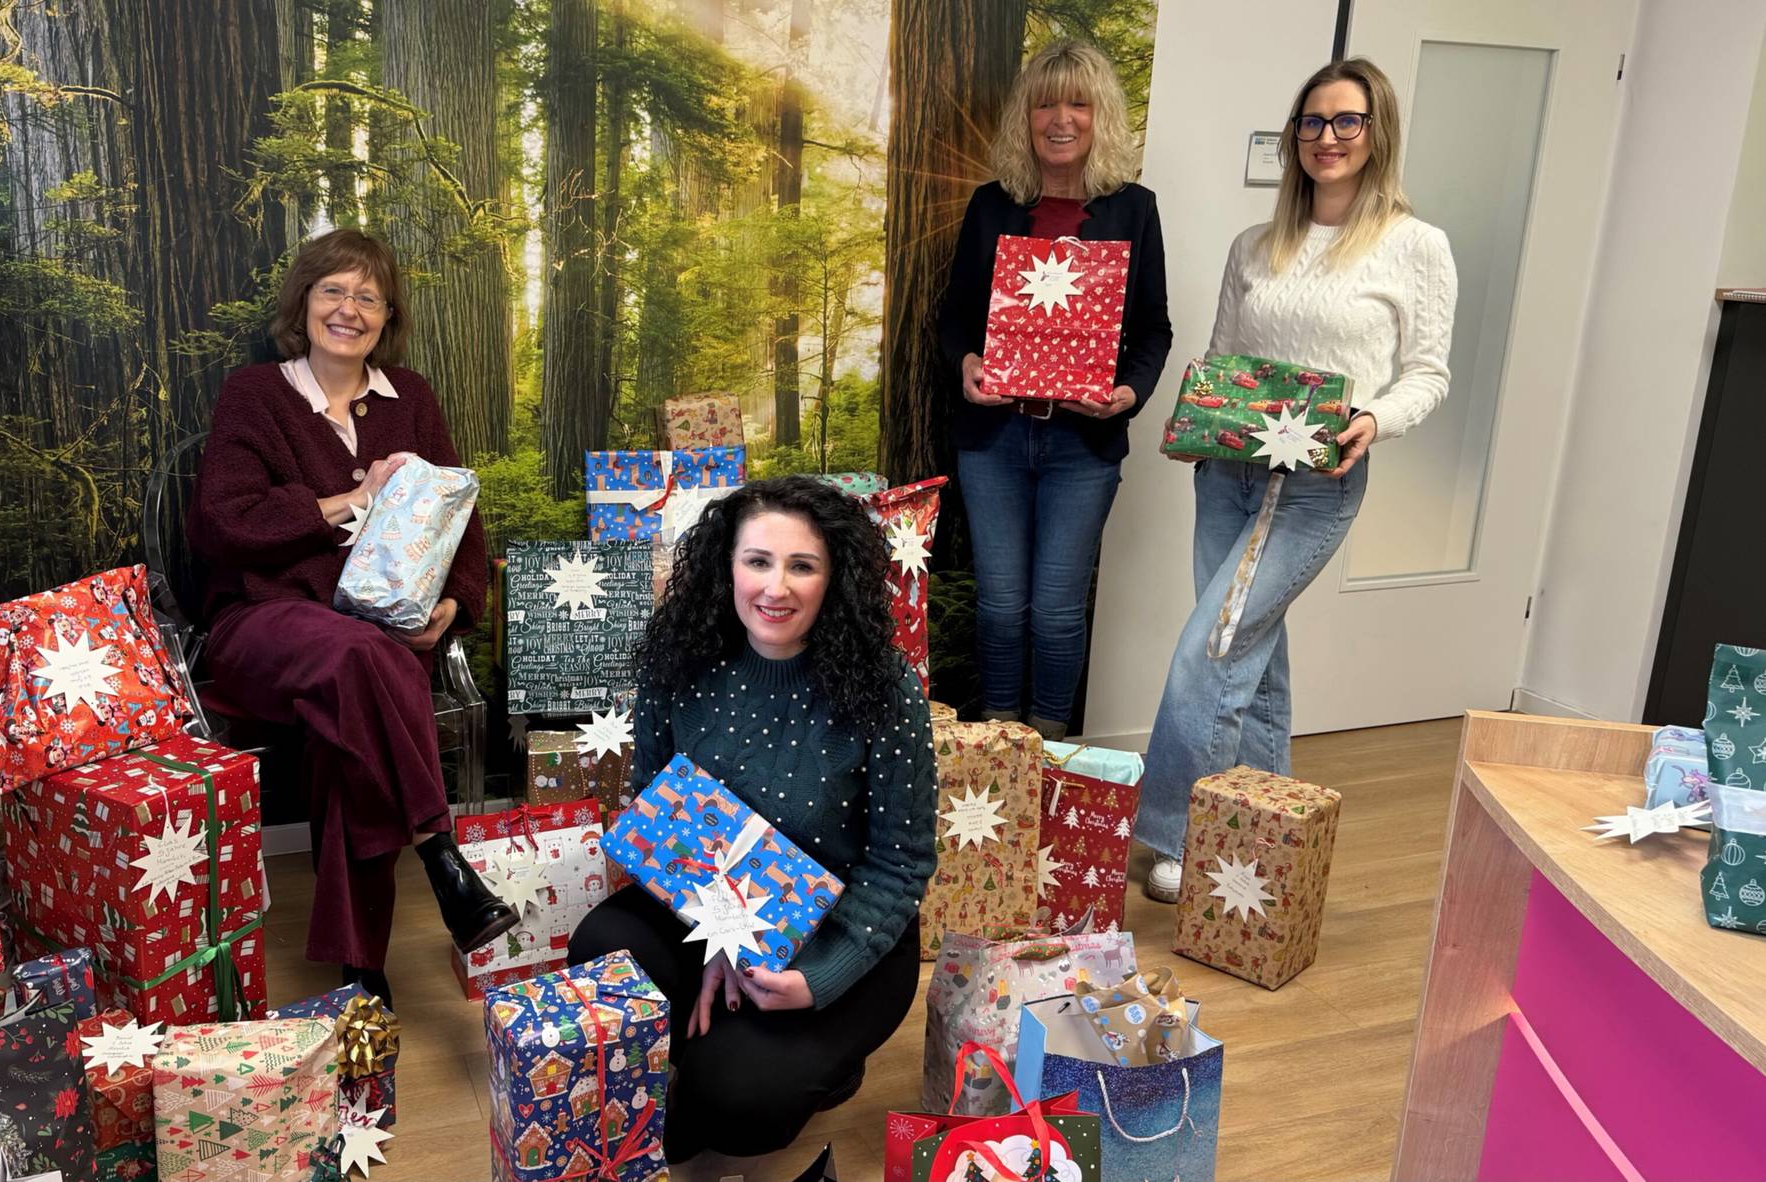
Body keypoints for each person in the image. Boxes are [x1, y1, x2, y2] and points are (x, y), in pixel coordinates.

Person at [1135, 58, 1457, 901]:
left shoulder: (1416, 247)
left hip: (1319, 481)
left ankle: (1178, 830)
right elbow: (1225, 357)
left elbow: (1428, 374)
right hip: (1228, 471)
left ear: (1376, 131)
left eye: (1346, 121)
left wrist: (1375, 419)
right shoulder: (1257, 244)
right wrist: (1195, 423)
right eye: (1312, 122)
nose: (1327, 138)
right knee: (1253, 649)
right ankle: (1270, 817)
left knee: (1214, 645)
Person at [567, 476, 937, 1162]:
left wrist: (814, 980)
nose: (777, 588)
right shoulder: (679, 661)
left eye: (803, 566)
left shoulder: (886, 689)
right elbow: (660, 817)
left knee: (742, 1104)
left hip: (842, 930)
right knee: (602, 949)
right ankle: (708, 1063)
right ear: (725, 566)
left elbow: (901, 863)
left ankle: (785, 1071)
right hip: (709, 905)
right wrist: (719, 935)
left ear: (836, 579)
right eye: (758, 561)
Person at [192, 229, 516, 1001]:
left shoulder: (414, 400)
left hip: (382, 628)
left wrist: (452, 605)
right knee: (364, 665)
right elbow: (221, 522)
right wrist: (351, 499)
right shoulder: (256, 393)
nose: (349, 308)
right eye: (333, 290)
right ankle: (442, 853)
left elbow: (461, 522)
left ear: (387, 314)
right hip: (264, 624)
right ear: (302, 303)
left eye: (368, 296)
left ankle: (362, 974)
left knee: (355, 722)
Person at [938, 39, 1172, 742]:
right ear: (1026, 117)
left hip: (1083, 442)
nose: (1061, 118)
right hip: (995, 438)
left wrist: (1126, 395)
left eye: (1079, 102)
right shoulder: (992, 205)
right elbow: (954, 318)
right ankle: (1003, 741)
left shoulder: (1134, 210)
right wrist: (968, 363)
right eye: (1046, 102)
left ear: (1102, 116)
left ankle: (1051, 747)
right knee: (1003, 605)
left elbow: (1155, 329)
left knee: (1060, 609)